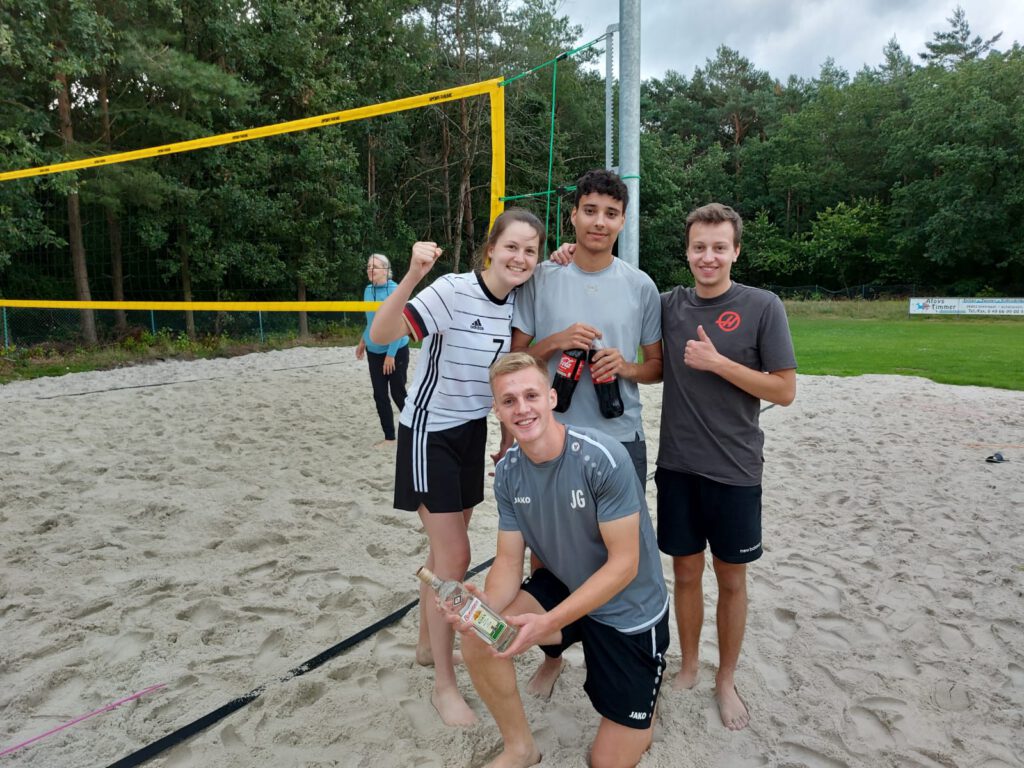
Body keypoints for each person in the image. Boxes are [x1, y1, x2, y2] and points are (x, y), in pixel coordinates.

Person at [446, 352, 668, 768]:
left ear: (551, 398)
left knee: (606, 761)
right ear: (496, 410)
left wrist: (548, 623)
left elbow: (625, 566)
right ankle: (521, 748)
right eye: (508, 400)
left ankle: (645, 699)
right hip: (567, 587)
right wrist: (485, 608)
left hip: (627, 608)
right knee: (477, 631)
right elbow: (510, 563)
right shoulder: (509, 470)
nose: (522, 408)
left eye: (531, 395)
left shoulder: (602, 456)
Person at [369, 208, 543, 726]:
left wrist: (507, 435)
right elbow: (382, 334)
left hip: (472, 432)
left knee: (444, 552)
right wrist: (413, 275)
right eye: (512, 246)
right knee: (457, 554)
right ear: (491, 248)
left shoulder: (514, 300)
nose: (520, 257)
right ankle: (444, 684)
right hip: (430, 432)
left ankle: (427, 645)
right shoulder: (451, 290)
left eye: (531, 250)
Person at [509, 168, 662, 697]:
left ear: (623, 220)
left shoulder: (640, 285)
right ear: (572, 215)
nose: (599, 222)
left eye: (611, 213)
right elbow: (516, 358)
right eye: (590, 210)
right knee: (545, 554)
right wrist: (555, 342)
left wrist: (624, 366)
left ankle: (615, 653)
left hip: (620, 440)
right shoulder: (544, 278)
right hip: (551, 439)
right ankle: (553, 649)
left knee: (620, 554)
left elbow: (656, 368)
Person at [657, 202, 797, 731]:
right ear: (687, 251)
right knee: (685, 573)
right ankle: (691, 663)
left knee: (731, 578)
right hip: (677, 466)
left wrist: (719, 363)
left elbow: (784, 391)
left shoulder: (763, 306)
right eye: (699, 247)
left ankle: (726, 677)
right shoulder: (670, 304)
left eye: (719, 247)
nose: (708, 257)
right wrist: (565, 253)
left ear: (736, 250)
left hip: (736, 468)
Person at [355, 253, 409, 445]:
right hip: (374, 351)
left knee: (397, 393)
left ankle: (416, 427)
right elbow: (371, 321)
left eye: (374, 266)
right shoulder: (368, 290)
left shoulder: (395, 290)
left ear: (386, 270)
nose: (370, 269)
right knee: (379, 394)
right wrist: (363, 340)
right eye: (368, 266)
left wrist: (391, 354)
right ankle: (389, 437)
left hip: (395, 350)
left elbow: (399, 324)